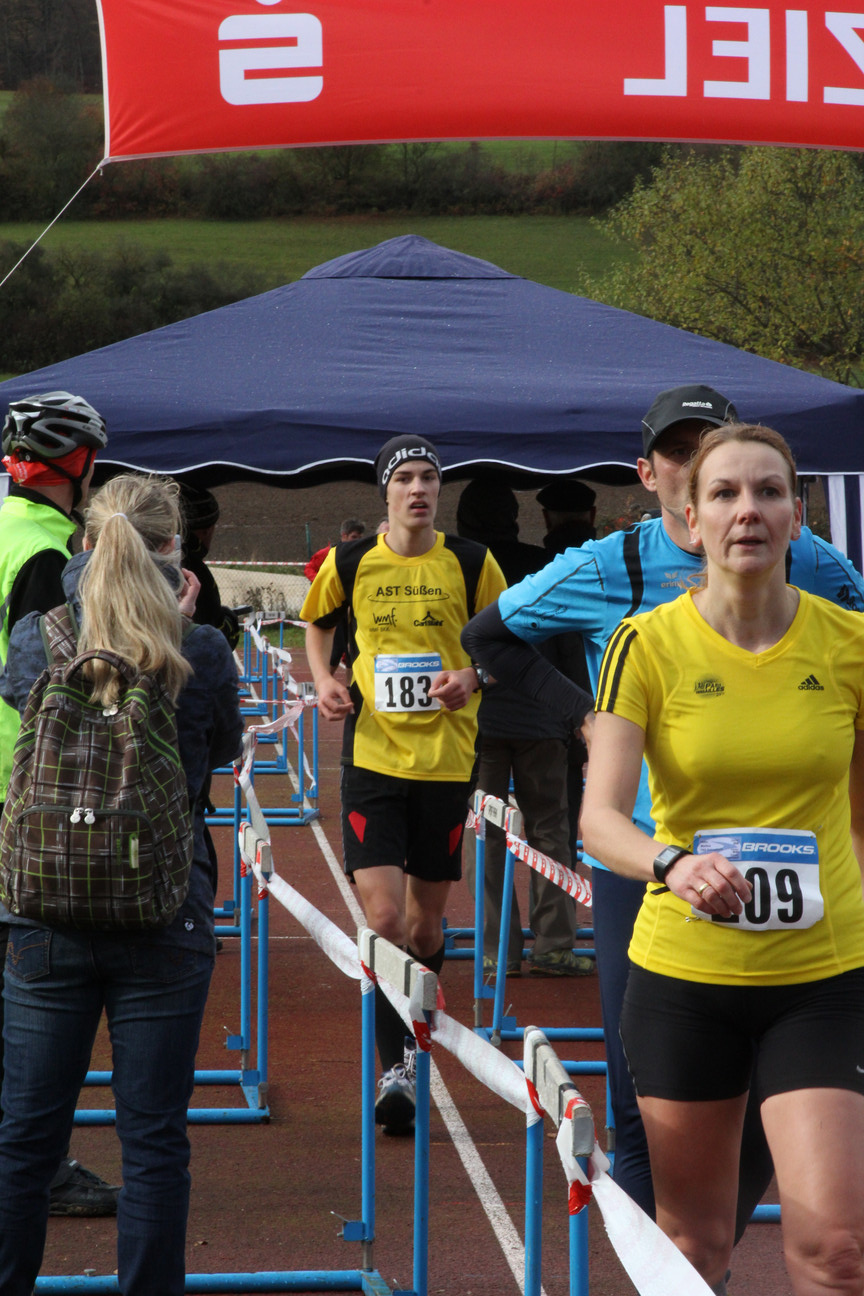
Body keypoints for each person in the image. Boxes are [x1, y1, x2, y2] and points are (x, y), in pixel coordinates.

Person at [461, 383, 864, 1232]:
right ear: (655, 478)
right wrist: (588, 719)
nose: (731, 498)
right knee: (643, 1111)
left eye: (762, 486)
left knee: (791, 1163)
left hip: (810, 897)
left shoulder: (819, 570)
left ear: (792, 509)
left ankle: (712, 1231)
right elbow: (490, 635)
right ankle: (676, 1256)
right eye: (683, 459)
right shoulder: (617, 574)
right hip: (647, 855)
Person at [581, 422, 864, 1295]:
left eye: (770, 492)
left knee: (836, 1247)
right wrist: (671, 863)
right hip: (686, 981)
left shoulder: (851, 644)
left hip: (823, 978)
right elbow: (599, 820)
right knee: (694, 1247)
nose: (749, 510)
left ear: (797, 517)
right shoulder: (646, 644)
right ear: (692, 521)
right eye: (726, 493)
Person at [0, 473, 243, 1296]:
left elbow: (20, 703)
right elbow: (223, 749)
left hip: (45, 910)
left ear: (85, 543)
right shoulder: (198, 648)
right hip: (164, 909)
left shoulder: (38, 636)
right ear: (175, 548)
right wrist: (180, 622)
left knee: (26, 1136)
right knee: (153, 1141)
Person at [301, 435, 510, 1133]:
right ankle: (399, 1067)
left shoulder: (473, 562)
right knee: (385, 920)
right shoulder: (351, 560)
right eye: (406, 479)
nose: (419, 489)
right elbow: (316, 623)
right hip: (372, 760)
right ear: (385, 491)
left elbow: (507, 642)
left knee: (424, 926)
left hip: (445, 763)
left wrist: (473, 676)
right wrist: (324, 678)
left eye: (429, 478)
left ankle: (415, 1031)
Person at [0, 391, 119, 1216]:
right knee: (33, 999)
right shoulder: (44, 550)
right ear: (78, 464)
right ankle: (35, 1167)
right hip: (20, 786)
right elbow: (46, 674)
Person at [456, 476, 591, 977]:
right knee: (550, 830)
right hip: (543, 716)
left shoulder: (460, 565)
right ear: (515, 518)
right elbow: (569, 642)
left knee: (487, 835)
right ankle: (554, 945)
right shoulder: (543, 564)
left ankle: (498, 952)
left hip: (478, 721)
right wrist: (580, 713)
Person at [177, 481, 241, 648]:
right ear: (206, 531)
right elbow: (214, 638)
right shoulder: (194, 571)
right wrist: (229, 620)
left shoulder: (146, 560)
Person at [304, 517, 367, 583]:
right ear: (344, 536)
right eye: (354, 537)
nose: (357, 541)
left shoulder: (363, 553)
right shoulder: (329, 552)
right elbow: (309, 568)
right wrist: (321, 583)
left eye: (360, 538)